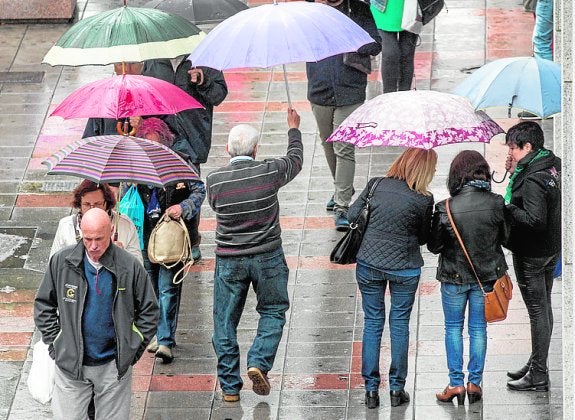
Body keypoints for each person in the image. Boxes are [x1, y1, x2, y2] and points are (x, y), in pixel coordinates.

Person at [206, 108, 303, 402]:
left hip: (229, 259)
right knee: (273, 310)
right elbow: (295, 161)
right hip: (268, 256)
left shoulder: (215, 180)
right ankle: (258, 361)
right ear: (256, 149)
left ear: (227, 149)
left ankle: (230, 387)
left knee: (224, 321)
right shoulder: (269, 171)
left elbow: (214, 207)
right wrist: (293, 129)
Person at [34, 208, 158, 420]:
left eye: (99, 239)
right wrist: (57, 343)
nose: (93, 246)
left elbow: (150, 310)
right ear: (80, 232)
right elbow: (43, 304)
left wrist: (131, 349)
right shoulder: (61, 262)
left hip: (113, 366)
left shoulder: (129, 266)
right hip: (71, 365)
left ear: (111, 231)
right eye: (87, 238)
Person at [348, 148, 436, 409]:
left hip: (369, 264)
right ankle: (397, 388)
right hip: (405, 268)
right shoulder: (423, 198)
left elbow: (352, 216)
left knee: (373, 323)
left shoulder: (376, 185)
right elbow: (423, 237)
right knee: (400, 325)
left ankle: (371, 390)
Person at [428, 151, 510, 405]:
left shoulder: (445, 207)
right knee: (478, 329)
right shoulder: (496, 202)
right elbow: (506, 238)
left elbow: (434, 246)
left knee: (453, 328)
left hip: (453, 277)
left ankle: (455, 384)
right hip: (486, 279)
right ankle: (475, 382)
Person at [134, 117, 206, 364]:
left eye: (156, 145)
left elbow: (199, 190)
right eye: (147, 145)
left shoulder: (180, 162)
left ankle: (165, 340)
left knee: (167, 288)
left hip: (170, 237)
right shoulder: (135, 166)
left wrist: (182, 207)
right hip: (145, 234)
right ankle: (158, 332)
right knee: (151, 289)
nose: (153, 150)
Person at [305, 0, 381, 231]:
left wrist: (353, 43)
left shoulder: (358, 9)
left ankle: (342, 205)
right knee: (328, 143)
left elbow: (375, 44)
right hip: (319, 87)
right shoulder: (312, 14)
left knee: (344, 146)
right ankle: (342, 189)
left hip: (351, 87)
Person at [143, 57, 228, 260]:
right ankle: (162, 236)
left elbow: (219, 95)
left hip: (192, 138)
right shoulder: (153, 62)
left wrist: (203, 81)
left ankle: (191, 238)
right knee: (161, 189)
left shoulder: (204, 59)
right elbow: (142, 97)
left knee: (190, 189)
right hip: (162, 136)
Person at [503, 121, 561, 392]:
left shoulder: (535, 179)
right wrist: (515, 172)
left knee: (537, 311)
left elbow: (535, 219)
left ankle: (538, 373)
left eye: (513, 148)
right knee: (544, 308)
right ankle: (536, 362)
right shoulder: (551, 163)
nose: (510, 152)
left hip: (532, 252)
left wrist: (507, 208)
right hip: (550, 249)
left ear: (528, 146)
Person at [51, 179, 143, 265]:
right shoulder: (66, 226)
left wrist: (122, 255)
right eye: (87, 204)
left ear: (106, 203)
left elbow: (139, 267)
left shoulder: (125, 225)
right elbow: (54, 265)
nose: (92, 209)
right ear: (79, 204)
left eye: (97, 204)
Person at [370, 0, 420, 93]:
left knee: (407, 54)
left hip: (411, 8)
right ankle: (388, 96)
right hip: (383, 9)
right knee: (390, 53)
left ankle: (404, 95)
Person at [82, 62, 144, 138]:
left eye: (133, 63)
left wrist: (144, 126)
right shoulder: (105, 100)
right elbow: (89, 140)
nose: (127, 69)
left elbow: (161, 142)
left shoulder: (154, 98)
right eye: (121, 64)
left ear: (142, 65)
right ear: (114, 68)